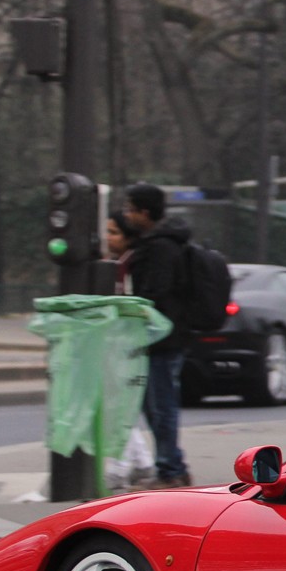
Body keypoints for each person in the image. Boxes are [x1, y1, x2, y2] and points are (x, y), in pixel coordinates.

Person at [121, 182, 196, 489]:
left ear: (145, 212)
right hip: (159, 338)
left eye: (131, 209)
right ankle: (173, 466)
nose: (127, 215)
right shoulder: (157, 243)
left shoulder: (161, 247)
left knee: (161, 407)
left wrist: (132, 307)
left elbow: (157, 292)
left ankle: (171, 471)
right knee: (155, 407)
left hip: (163, 338)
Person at [102, 210, 153, 492]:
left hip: (124, 345)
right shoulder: (116, 263)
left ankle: (121, 466)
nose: (108, 238)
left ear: (128, 236)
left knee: (118, 406)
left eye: (114, 232)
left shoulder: (129, 265)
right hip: (121, 344)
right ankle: (141, 461)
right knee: (121, 406)